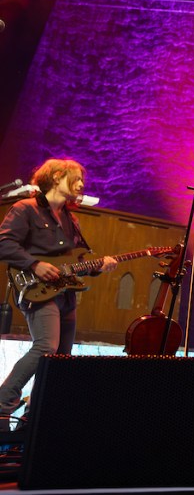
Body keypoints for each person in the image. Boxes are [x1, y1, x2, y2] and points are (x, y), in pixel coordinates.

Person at [0, 159, 115, 419]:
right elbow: (4, 243)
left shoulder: (71, 219)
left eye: (82, 179)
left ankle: (34, 416)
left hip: (66, 294)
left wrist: (99, 266)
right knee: (45, 347)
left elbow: (76, 262)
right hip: (37, 289)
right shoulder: (25, 208)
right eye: (76, 178)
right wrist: (34, 264)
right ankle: (3, 403)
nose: (82, 184)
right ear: (55, 177)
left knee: (62, 357)